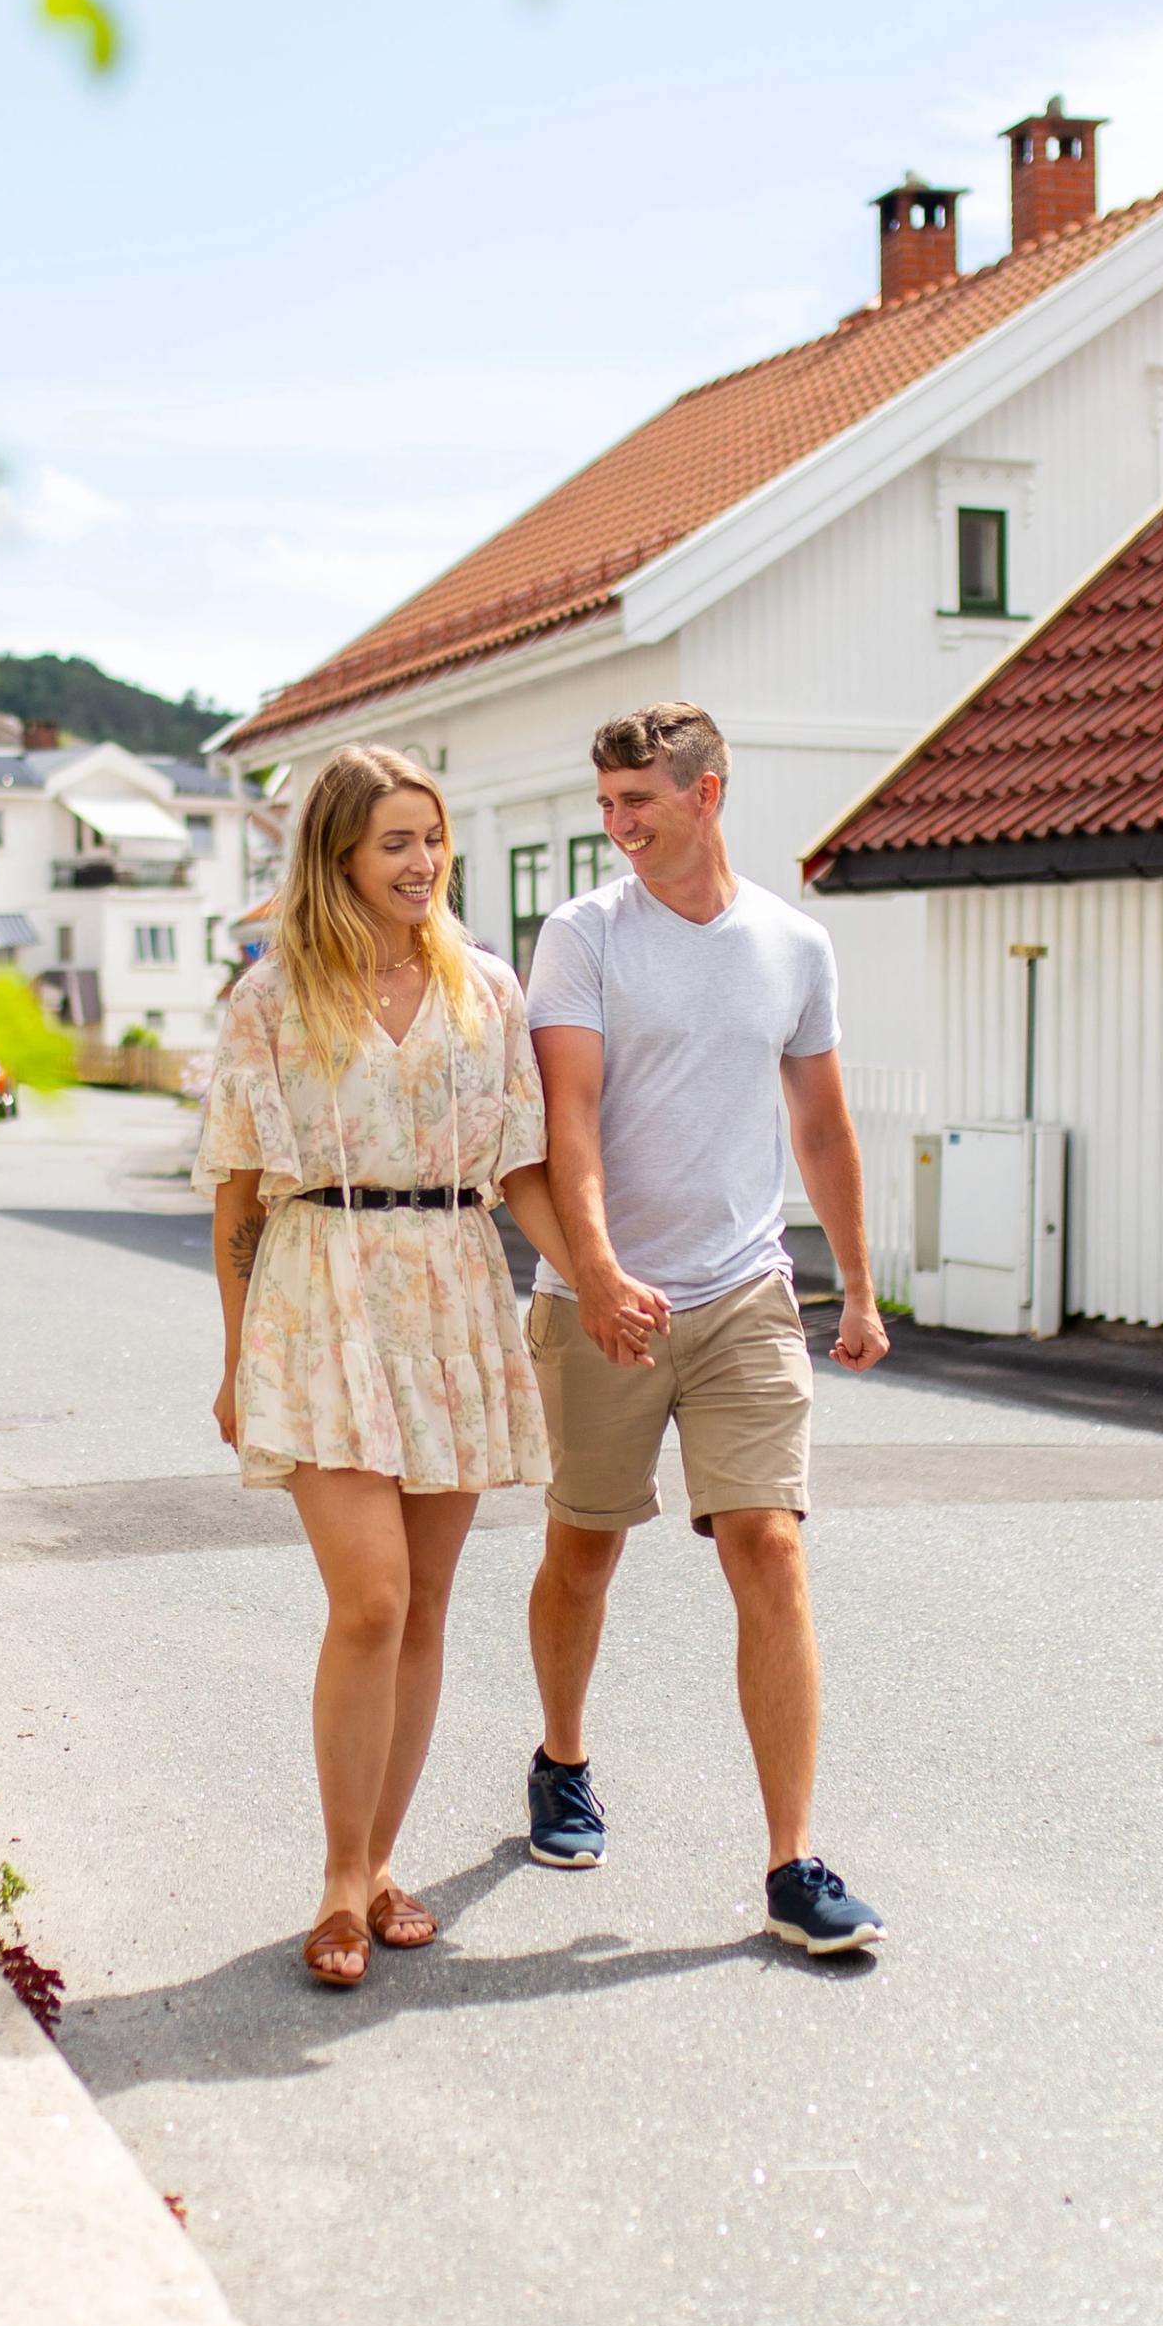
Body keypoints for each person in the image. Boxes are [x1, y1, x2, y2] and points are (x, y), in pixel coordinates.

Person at [197, 745, 615, 1988]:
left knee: (426, 1607)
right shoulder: (270, 999)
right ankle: (336, 1878)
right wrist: (234, 1362)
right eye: (395, 842)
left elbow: (525, 1167)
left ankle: (383, 1864)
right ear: (338, 856)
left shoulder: (487, 990)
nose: (422, 862)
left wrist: (595, 1277)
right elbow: (232, 1188)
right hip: (318, 1296)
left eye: (433, 840)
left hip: (448, 1287)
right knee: (370, 1596)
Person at [517, 699, 891, 1956]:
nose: (619, 829)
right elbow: (568, 1122)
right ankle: (562, 1759)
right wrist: (600, 1269)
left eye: (642, 805)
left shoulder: (792, 945)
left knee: (770, 1550)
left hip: (742, 1291)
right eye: (608, 807)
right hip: (599, 1299)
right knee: (585, 1551)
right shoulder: (581, 937)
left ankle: (792, 1863)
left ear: (708, 793)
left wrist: (860, 1284)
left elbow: (824, 1129)